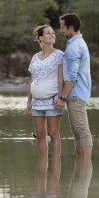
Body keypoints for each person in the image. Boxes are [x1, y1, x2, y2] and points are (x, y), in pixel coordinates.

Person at [55, 14, 93, 159]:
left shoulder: (74, 47)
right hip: (77, 93)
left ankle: (85, 166)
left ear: (71, 28)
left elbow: (71, 78)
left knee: (82, 131)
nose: (61, 30)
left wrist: (61, 97)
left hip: (76, 94)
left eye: (63, 27)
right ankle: (82, 168)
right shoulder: (76, 44)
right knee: (78, 131)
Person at [27, 25, 64, 157]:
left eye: (53, 33)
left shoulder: (60, 55)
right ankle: (42, 166)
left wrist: (61, 98)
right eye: (48, 33)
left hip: (52, 100)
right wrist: (28, 102)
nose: (52, 35)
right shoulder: (35, 57)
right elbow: (32, 80)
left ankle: (55, 165)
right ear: (41, 37)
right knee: (40, 135)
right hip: (36, 102)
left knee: (53, 134)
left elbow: (61, 78)